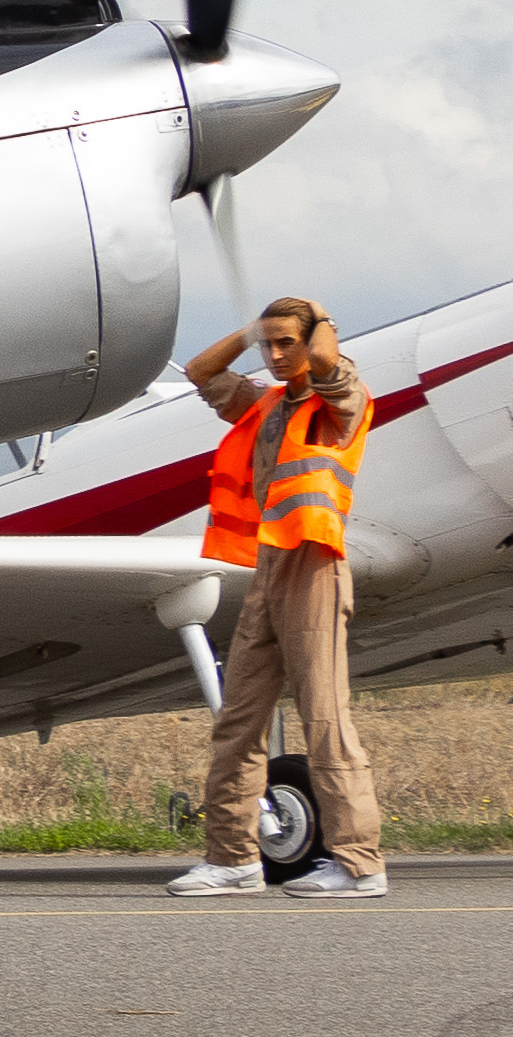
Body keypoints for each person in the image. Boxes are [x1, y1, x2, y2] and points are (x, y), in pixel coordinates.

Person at [163, 295, 386, 898]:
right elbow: (202, 373)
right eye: (271, 344)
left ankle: (360, 864)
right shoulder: (264, 403)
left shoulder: (343, 400)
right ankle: (233, 859)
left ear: (313, 340)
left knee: (325, 719)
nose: (279, 354)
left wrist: (316, 313)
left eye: (290, 342)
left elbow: (323, 358)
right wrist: (248, 331)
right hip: (268, 568)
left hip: (314, 568)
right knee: (238, 720)